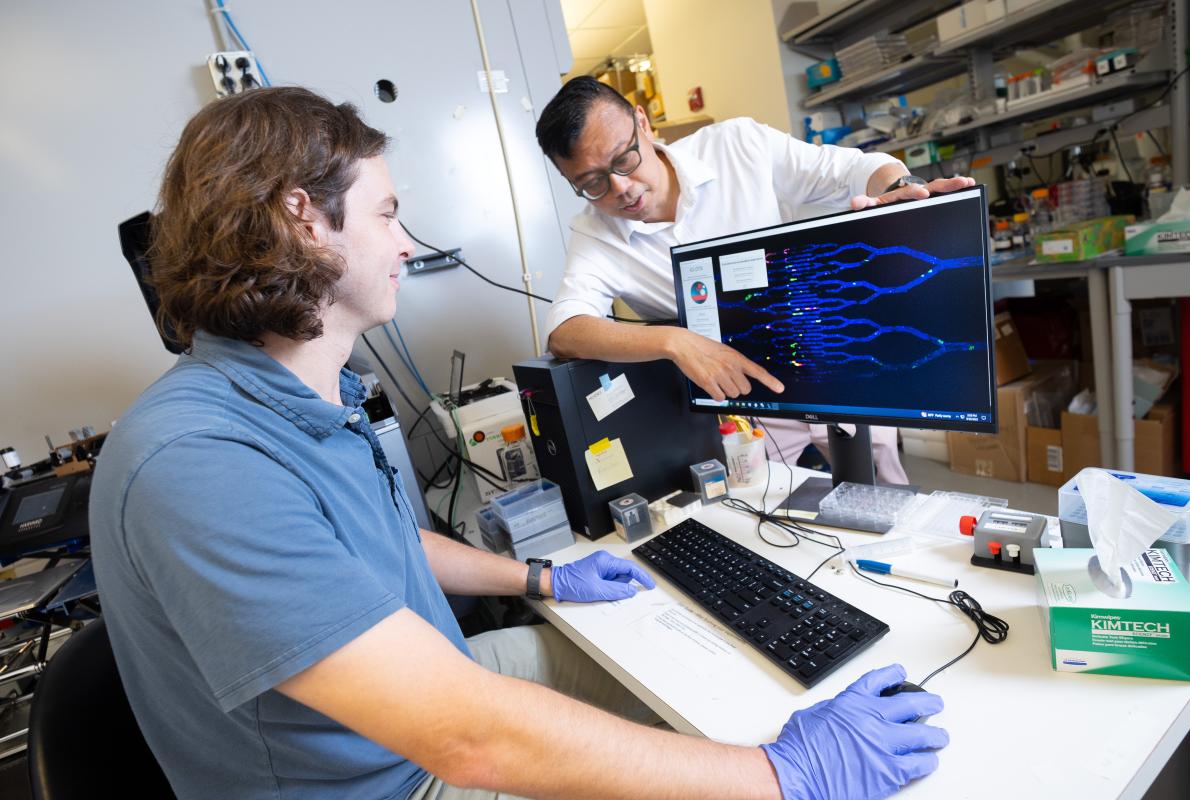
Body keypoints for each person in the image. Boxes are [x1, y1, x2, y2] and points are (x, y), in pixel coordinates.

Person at [90, 86, 948, 800]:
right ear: (304, 220)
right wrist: (781, 776)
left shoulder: (305, 400)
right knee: (717, 745)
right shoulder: (202, 460)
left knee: (687, 681)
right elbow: (468, 739)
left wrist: (543, 577)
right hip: (394, 782)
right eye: (387, 214)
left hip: (430, 691)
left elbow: (387, 547)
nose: (404, 243)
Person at [535, 77, 976, 482]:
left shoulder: (736, 145)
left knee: (878, 488)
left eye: (624, 159)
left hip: (830, 352)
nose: (620, 188)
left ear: (643, 124)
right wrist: (675, 341)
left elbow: (855, 169)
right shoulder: (595, 234)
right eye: (592, 182)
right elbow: (565, 330)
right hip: (741, 398)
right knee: (767, 511)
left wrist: (904, 189)